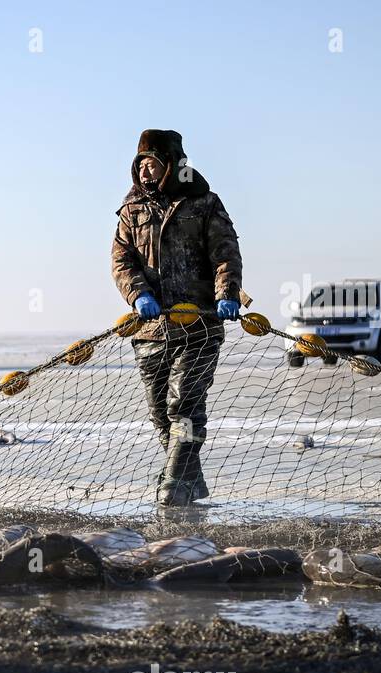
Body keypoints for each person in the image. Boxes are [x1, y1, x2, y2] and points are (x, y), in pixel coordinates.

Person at [111, 129, 246, 506]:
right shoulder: (131, 211)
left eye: (152, 164)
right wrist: (138, 295)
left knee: (184, 405)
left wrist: (227, 295)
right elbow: (121, 261)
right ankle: (190, 481)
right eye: (140, 165)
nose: (145, 173)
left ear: (171, 165)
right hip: (151, 330)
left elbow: (226, 254)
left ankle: (172, 486)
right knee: (161, 415)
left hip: (199, 325)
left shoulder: (204, 203)